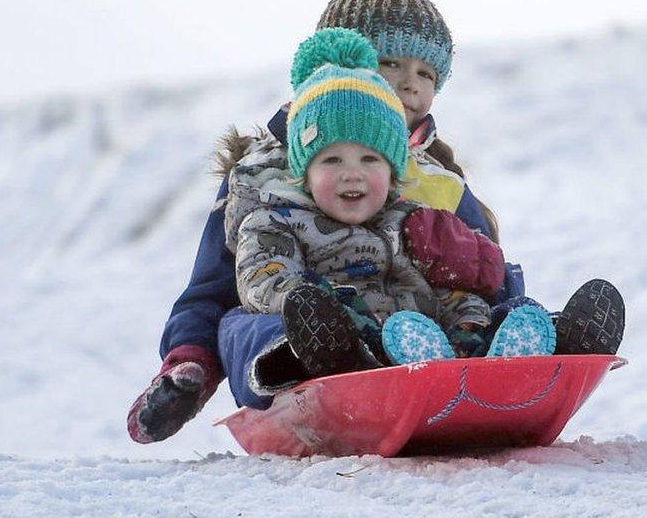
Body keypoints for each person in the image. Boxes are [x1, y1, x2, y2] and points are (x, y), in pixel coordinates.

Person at [127, 0, 624, 443]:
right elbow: (209, 291)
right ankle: (310, 355)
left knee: (482, 305)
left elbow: (486, 275)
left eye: (426, 73)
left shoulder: (440, 184)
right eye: (391, 63)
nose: (410, 84)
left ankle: (541, 348)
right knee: (242, 322)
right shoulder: (262, 175)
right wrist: (188, 367)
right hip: (299, 321)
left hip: (418, 333)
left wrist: (480, 276)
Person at [217, 28, 559, 408]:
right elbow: (264, 275)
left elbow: (446, 289)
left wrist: (469, 320)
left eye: (369, 160)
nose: (352, 173)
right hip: (342, 340)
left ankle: (527, 352)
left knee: (494, 311)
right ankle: (357, 363)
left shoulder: (407, 221)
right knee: (288, 325)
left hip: (424, 342)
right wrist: (311, 300)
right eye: (332, 160)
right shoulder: (276, 219)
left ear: (393, 172)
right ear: (303, 176)